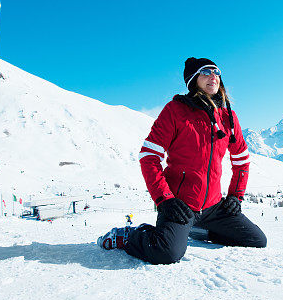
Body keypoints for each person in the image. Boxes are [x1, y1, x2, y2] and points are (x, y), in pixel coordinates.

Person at [99, 57, 267, 264]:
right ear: (193, 80)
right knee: (166, 253)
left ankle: (198, 231)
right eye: (206, 72)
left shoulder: (228, 117)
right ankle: (128, 236)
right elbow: (149, 157)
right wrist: (164, 200)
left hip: (214, 207)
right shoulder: (176, 111)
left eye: (216, 72)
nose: (213, 76)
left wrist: (235, 197)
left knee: (256, 239)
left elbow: (241, 160)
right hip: (180, 204)